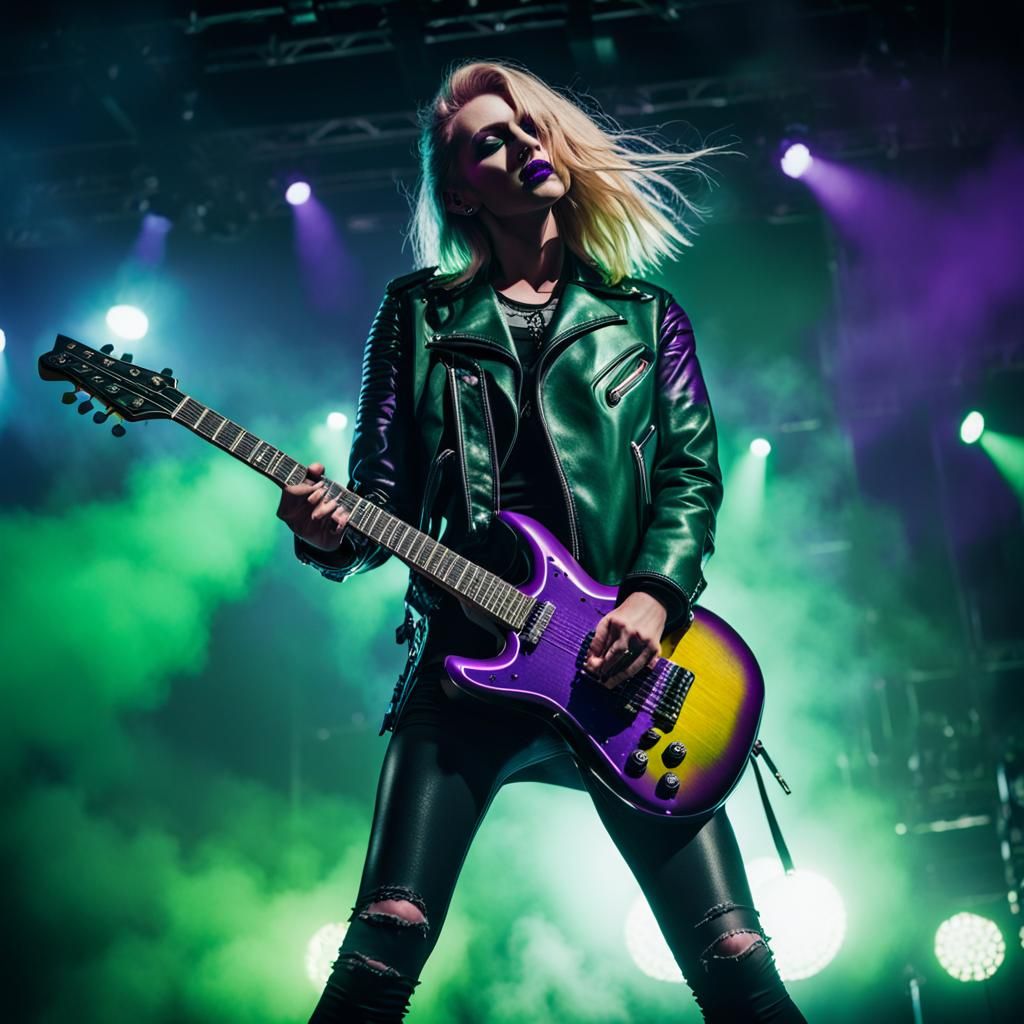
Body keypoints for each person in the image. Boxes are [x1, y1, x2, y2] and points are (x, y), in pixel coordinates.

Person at [277, 59, 807, 1023]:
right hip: (462, 663)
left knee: (735, 956)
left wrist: (650, 598)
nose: (524, 143)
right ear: (461, 192)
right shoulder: (418, 315)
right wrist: (325, 533)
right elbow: (378, 499)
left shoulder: (644, 318)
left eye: (529, 125)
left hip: (621, 669)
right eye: (491, 140)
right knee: (384, 942)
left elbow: (691, 477)